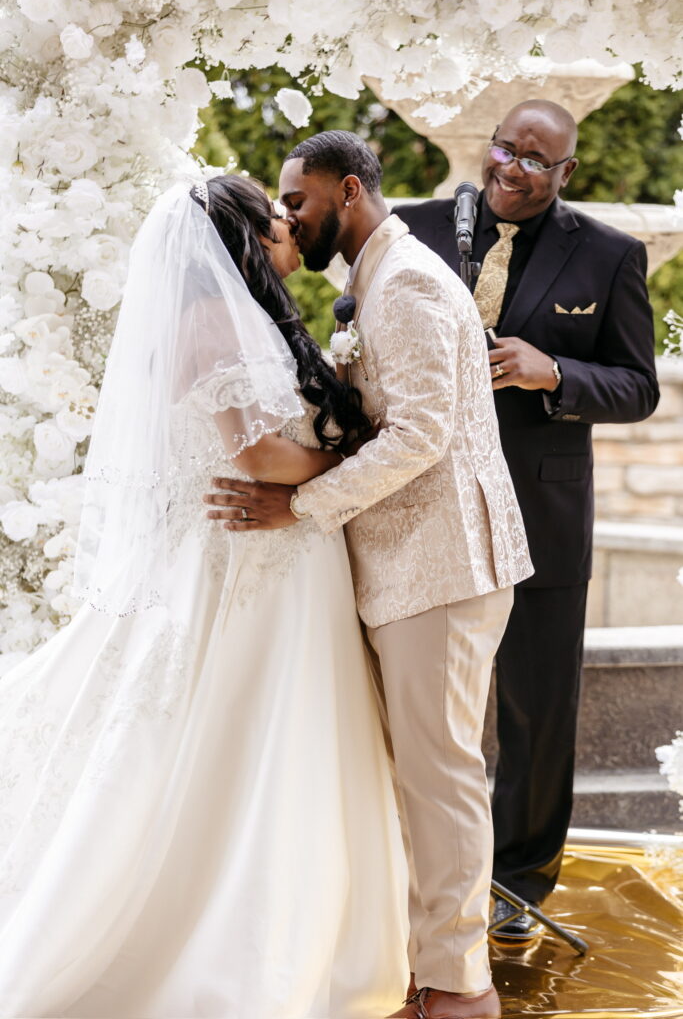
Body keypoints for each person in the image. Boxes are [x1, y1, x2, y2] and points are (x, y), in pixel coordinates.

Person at [0, 175, 410, 1018]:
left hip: (281, 555)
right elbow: (260, 457)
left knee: (272, 738)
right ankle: (229, 946)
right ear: (244, 241)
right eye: (275, 216)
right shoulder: (215, 321)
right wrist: (354, 467)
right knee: (245, 737)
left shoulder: (240, 319)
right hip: (250, 557)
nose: (288, 224)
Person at [205, 131, 533, 1019]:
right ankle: (414, 964)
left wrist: (298, 507)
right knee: (417, 778)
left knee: (441, 777)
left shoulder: (413, 283)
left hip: (442, 566)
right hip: (407, 568)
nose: (289, 219)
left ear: (348, 191)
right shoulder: (378, 280)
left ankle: (461, 986)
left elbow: (421, 435)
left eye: (298, 202)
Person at [393, 99, 660, 940]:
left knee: (536, 712)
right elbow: (358, 325)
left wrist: (555, 375)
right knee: (412, 701)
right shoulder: (412, 228)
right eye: (505, 148)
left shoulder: (611, 256)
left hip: (540, 512)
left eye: (535, 159)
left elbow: (637, 385)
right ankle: (407, 870)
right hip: (422, 510)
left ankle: (517, 886)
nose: (512, 167)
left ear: (566, 171)